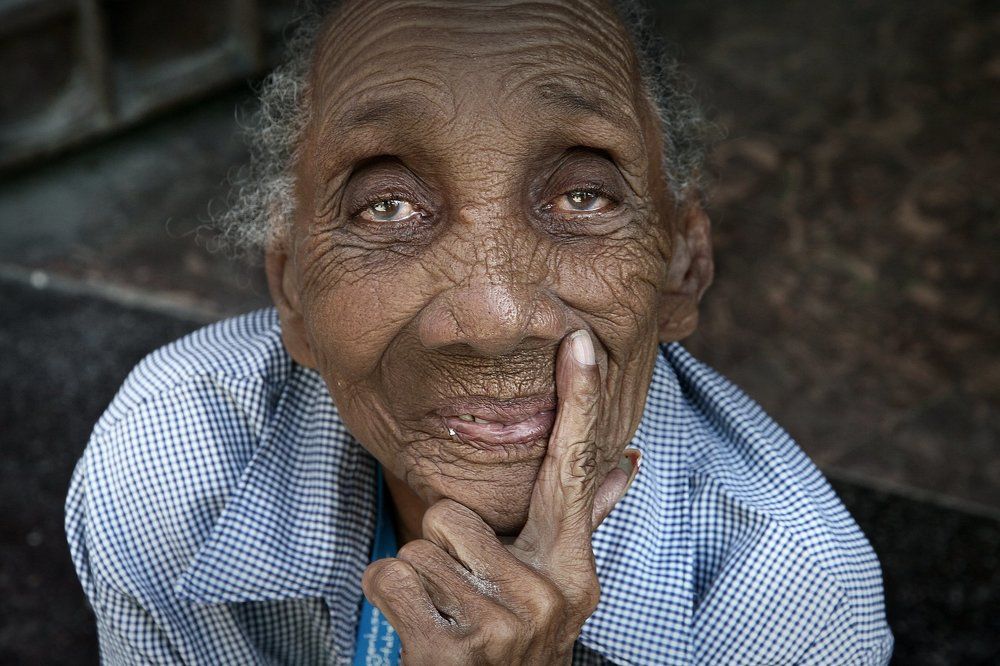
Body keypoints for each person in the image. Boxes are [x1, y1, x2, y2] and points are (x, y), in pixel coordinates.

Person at [65, 0, 893, 663]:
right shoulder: (172, 465)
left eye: (582, 198)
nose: (496, 320)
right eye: (388, 207)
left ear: (683, 266)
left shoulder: (792, 601)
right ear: (291, 290)